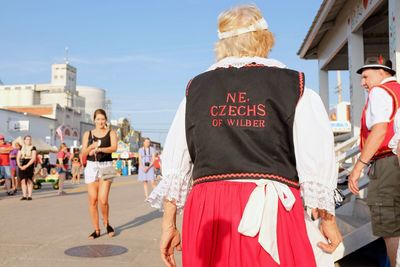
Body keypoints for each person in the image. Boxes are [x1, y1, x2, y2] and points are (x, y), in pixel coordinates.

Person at [148, 5, 342, 267]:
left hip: (210, 209)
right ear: (265, 40)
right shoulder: (295, 86)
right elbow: (316, 157)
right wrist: (328, 221)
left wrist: (168, 224)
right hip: (272, 208)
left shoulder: (196, 89)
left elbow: (176, 162)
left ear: (222, 45)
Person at [349, 55, 400, 267]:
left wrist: (358, 166)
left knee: (389, 223)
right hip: (394, 159)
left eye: (366, 76)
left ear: (381, 73)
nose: (363, 83)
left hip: (387, 161)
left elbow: (379, 130)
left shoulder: (379, 91)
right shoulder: (397, 90)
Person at [81, 109, 117, 239]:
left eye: (103, 119)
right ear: (94, 120)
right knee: (93, 200)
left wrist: (100, 148)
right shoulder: (88, 134)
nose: (100, 121)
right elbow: (83, 153)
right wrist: (91, 147)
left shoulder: (111, 132)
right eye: (98, 119)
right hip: (92, 167)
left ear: (105, 120)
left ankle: (107, 223)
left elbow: (114, 148)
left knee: (103, 199)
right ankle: (96, 230)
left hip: (106, 166)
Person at [17, 135, 37, 200]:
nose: (29, 141)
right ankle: (24, 195)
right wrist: (19, 165)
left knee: (29, 180)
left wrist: (27, 165)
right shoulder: (21, 147)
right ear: (24, 140)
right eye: (27, 139)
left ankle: (30, 195)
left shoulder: (33, 147)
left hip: (29, 163)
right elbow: (18, 157)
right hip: (22, 162)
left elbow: (33, 158)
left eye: (30, 139)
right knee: (22, 180)